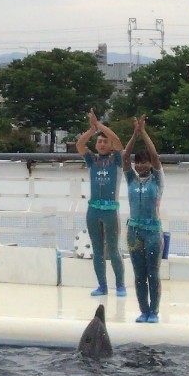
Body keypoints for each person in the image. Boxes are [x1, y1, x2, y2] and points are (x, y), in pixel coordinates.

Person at [76, 111, 125, 297]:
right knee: (97, 250)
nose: (102, 144)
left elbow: (118, 141)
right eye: (99, 141)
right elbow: (80, 145)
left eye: (105, 142)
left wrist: (101, 126)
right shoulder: (92, 160)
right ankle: (102, 285)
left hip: (110, 210)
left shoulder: (117, 160)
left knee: (113, 249)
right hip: (93, 209)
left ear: (111, 146)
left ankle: (120, 285)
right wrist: (92, 129)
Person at [125, 115, 165, 323]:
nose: (140, 166)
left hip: (152, 232)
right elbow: (124, 157)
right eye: (137, 162)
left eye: (144, 162)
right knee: (139, 274)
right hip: (133, 232)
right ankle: (143, 310)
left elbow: (156, 156)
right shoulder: (131, 178)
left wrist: (144, 133)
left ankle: (154, 311)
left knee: (153, 274)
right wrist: (134, 135)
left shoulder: (157, 180)